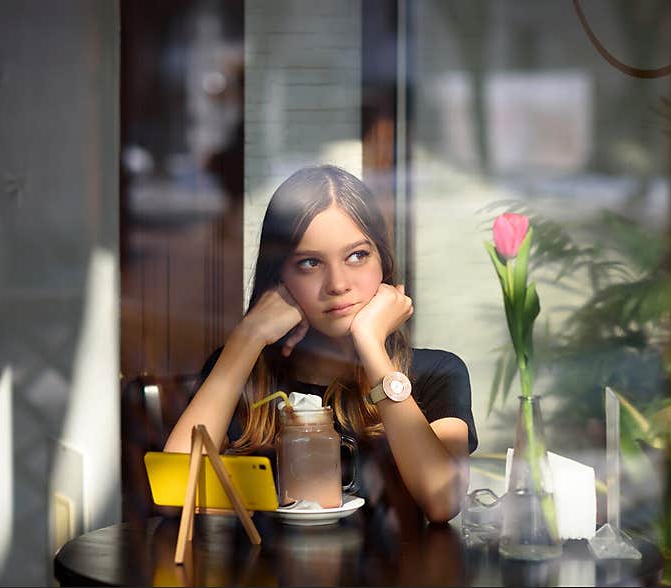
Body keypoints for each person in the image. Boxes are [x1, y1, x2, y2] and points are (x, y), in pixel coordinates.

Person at [164, 165, 477, 523]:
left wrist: (372, 348)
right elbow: (175, 496)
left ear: (384, 262)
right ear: (279, 277)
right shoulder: (242, 369)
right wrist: (247, 337)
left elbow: (443, 502)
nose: (338, 283)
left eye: (357, 255)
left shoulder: (437, 373)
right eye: (310, 263)